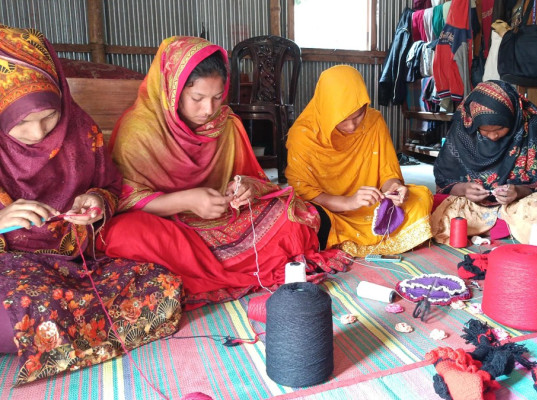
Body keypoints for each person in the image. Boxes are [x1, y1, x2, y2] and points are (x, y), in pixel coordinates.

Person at [100, 36, 346, 310]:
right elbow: (122, 200)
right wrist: (187, 201)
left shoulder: (226, 124)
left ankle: (207, 267)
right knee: (121, 234)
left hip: (223, 222)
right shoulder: (139, 131)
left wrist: (243, 188)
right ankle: (223, 267)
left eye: (218, 98)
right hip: (168, 227)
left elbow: (254, 180)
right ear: (172, 91)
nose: (208, 110)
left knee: (296, 215)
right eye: (197, 98)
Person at [0, 26, 182, 384]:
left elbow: (110, 185)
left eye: (49, 117)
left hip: (77, 261)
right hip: (11, 269)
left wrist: (96, 201)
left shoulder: (79, 127)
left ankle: (60, 324)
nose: (39, 134)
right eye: (20, 123)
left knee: (163, 287)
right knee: (24, 313)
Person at [286, 65, 433, 257]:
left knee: (421, 198)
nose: (353, 125)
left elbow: (388, 174)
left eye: (358, 115)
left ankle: (346, 241)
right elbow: (304, 192)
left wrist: (394, 189)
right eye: (343, 119)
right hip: (329, 212)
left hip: (370, 209)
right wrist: (349, 202)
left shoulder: (374, 121)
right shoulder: (303, 134)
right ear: (325, 110)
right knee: (298, 217)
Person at [431, 80, 537, 244]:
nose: (493, 136)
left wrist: (517, 191)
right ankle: (504, 229)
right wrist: (464, 189)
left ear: (513, 118)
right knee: (430, 207)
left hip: (519, 205)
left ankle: (488, 228)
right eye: (485, 131)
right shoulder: (463, 128)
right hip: (472, 206)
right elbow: (445, 179)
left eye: (500, 129)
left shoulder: (532, 125)